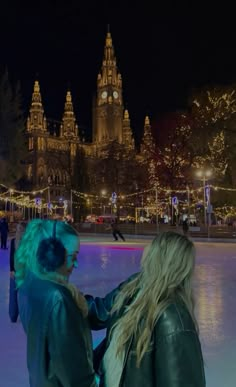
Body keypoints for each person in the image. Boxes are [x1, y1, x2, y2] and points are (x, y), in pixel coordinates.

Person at [86, 231, 206, 387]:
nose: (146, 248)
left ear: (161, 256)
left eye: (153, 244)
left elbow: (180, 381)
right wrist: (62, 294)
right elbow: (99, 312)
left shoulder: (172, 316)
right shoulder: (134, 286)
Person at [15, 219, 97, 387]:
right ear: (52, 253)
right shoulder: (57, 297)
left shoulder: (29, 284)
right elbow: (76, 376)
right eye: (72, 256)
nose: (76, 264)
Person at [9, 221, 27, 322]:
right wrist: (11, 269)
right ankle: (13, 315)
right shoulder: (13, 241)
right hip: (16, 272)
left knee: (24, 296)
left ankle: (24, 315)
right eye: (18, 229)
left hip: (25, 273)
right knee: (14, 295)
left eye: (21, 229)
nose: (19, 231)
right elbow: (11, 256)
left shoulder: (29, 243)